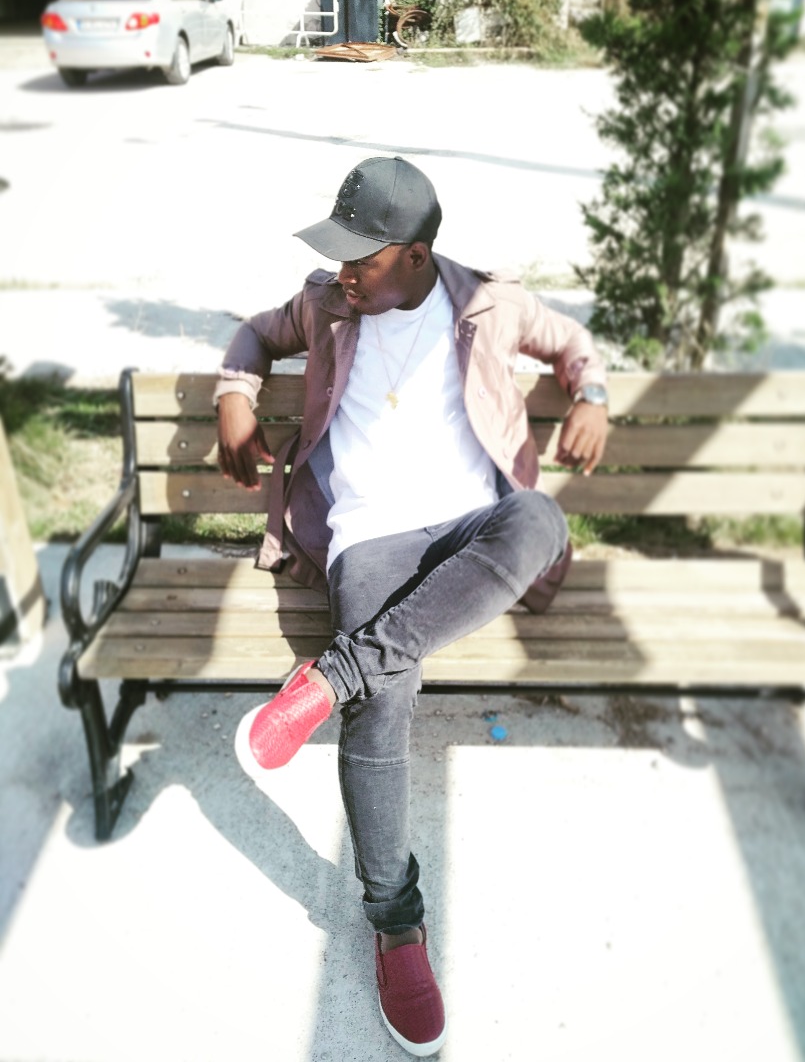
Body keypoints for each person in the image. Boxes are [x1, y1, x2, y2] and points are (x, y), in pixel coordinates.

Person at [215, 155, 608, 1057]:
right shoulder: (324, 304)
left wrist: (591, 393)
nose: (344, 272)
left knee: (541, 519)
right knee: (383, 697)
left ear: (418, 255)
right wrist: (236, 397)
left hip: (473, 526)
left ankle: (333, 674)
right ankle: (396, 922)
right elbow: (253, 336)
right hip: (369, 536)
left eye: (363, 257)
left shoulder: (490, 304)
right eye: (339, 254)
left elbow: (572, 344)